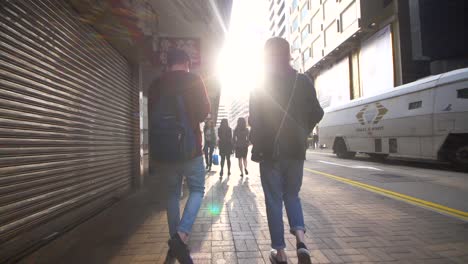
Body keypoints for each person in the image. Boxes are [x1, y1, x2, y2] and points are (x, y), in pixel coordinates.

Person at [249, 37, 324, 264]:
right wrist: (302, 131)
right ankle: (301, 242)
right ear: (288, 54)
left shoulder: (260, 84)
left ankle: (280, 253)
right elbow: (317, 113)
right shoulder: (303, 81)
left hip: (270, 151)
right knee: (292, 195)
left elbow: (255, 120)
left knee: (273, 200)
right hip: (296, 150)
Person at [148, 48, 210, 264]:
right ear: (186, 63)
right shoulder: (194, 79)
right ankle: (181, 236)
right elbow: (204, 112)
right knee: (197, 190)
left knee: (173, 195)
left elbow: (150, 119)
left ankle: (176, 243)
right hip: (191, 149)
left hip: (165, 153)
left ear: (169, 63)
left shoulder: (156, 84)